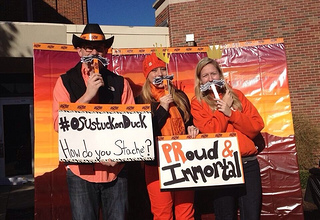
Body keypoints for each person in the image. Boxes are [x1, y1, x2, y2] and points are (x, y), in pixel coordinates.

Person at [52, 23, 135, 220]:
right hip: (81, 173)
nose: (94, 52)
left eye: (99, 48)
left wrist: (122, 156)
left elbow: (132, 126)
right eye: (88, 48)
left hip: (115, 172)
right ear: (79, 50)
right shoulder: (64, 81)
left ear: (105, 51)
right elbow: (58, 124)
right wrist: (87, 96)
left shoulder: (121, 83)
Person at [191, 57, 264, 220]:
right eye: (205, 75)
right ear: (199, 79)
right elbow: (211, 130)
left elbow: (256, 126)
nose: (210, 79)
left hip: (248, 163)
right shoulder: (197, 103)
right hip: (221, 165)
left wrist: (232, 114)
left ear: (220, 75)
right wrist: (222, 111)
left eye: (213, 74)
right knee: (225, 215)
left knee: (252, 215)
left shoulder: (237, 95)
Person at [135, 52, 199, 220]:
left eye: (162, 69)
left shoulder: (180, 97)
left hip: (183, 161)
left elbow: (189, 123)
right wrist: (163, 107)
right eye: (154, 71)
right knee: (162, 214)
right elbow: (145, 133)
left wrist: (193, 128)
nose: (159, 74)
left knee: (186, 212)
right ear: (147, 75)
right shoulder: (141, 100)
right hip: (156, 165)